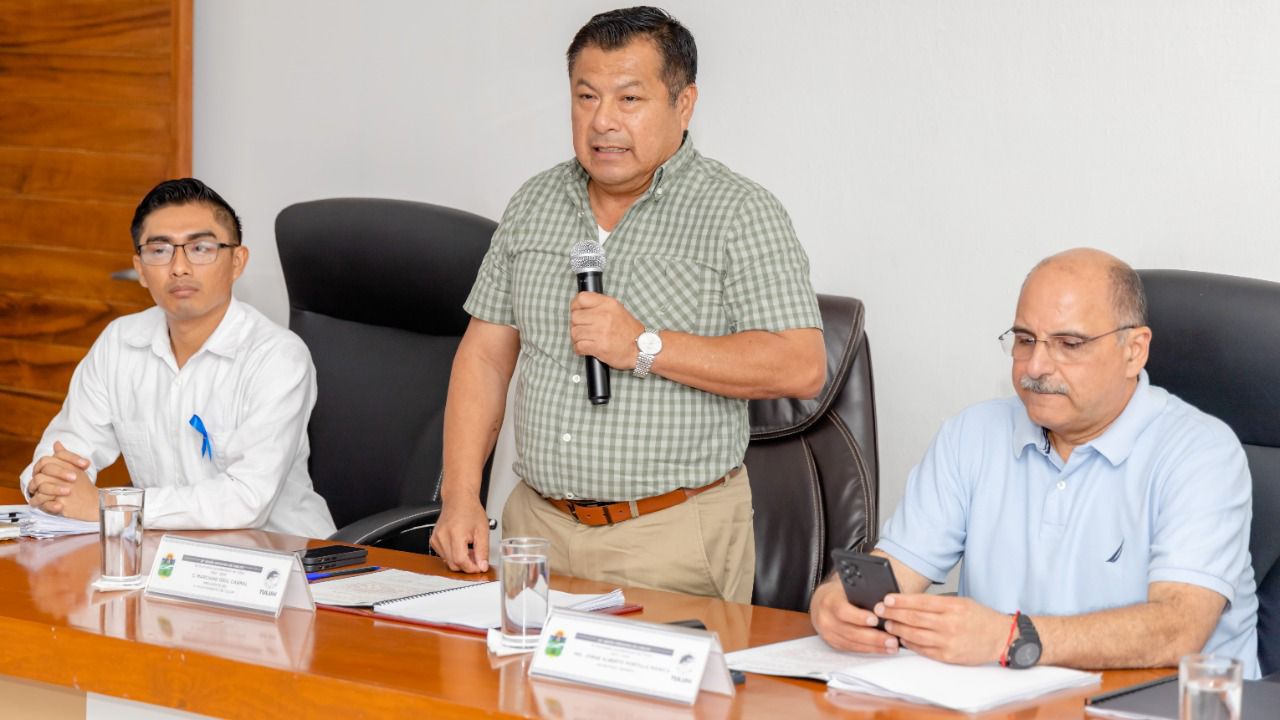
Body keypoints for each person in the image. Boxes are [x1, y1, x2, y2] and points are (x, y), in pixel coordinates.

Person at [430, 6, 825, 602]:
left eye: (629, 99)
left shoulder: (739, 212)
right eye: (586, 97)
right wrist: (460, 495)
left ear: (684, 104)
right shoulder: (534, 204)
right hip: (534, 528)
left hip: (670, 536)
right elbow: (485, 357)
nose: (602, 121)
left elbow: (800, 364)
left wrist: (644, 346)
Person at [811, 248, 1259, 676]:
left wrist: (1009, 638)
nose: (1036, 365)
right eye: (1025, 340)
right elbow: (895, 575)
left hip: (1155, 706)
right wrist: (835, 601)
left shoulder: (1201, 453)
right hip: (1005, 702)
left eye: (1069, 343)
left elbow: (1179, 630)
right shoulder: (971, 434)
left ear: (1134, 351)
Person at [19, 179, 336, 538]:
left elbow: (247, 499)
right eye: (160, 251)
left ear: (237, 262)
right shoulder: (119, 342)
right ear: (140, 269)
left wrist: (111, 506)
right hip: (167, 554)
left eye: (200, 248)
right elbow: (65, 449)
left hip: (285, 555)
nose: (179, 267)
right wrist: (49, 481)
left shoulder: (277, 357)